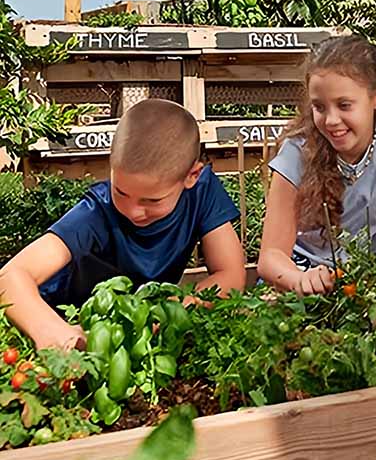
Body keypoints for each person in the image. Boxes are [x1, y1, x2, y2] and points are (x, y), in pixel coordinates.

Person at [0, 99, 247, 350]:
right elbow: (10, 276)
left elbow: (231, 274)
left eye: (152, 200)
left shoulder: (202, 192)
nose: (133, 211)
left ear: (191, 176)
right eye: (120, 191)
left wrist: (166, 311)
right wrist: (52, 331)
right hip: (54, 321)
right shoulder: (97, 212)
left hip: (123, 336)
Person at [257, 35, 376, 295]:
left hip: (372, 268)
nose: (331, 120)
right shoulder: (296, 152)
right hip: (306, 272)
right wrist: (298, 279)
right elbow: (270, 257)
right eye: (320, 107)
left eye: (344, 105)